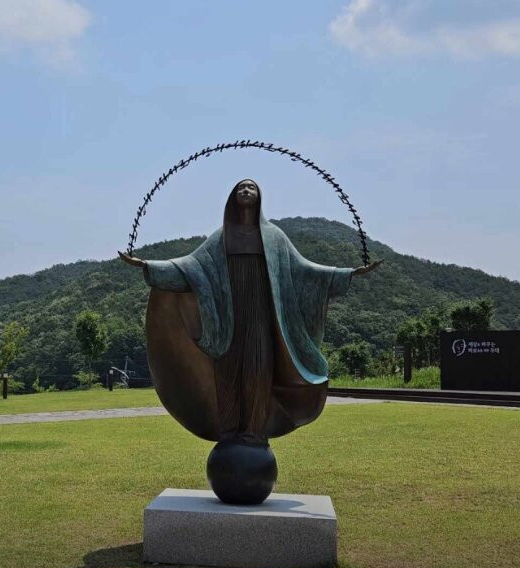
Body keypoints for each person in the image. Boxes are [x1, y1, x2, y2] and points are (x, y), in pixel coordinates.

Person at [119, 179, 381, 442]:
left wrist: (347, 274)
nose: (245, 191)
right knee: (228, 371)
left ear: (259, 197)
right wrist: (148, 266)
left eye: (251, 188)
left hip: (260, 317)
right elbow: (190, 268)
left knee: (258, 368)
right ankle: (230, 427)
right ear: (232, 198)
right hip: (229, 319)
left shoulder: (275, 238)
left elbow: (305, 272)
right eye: (240, 188)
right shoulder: (220, 239)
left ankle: (254, 430)